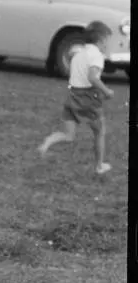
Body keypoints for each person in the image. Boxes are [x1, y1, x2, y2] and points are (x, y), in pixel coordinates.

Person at [37, 20, 114, 174]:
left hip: (72, 96)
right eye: (107, 42)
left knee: (68, 135)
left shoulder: (79, 53)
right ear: (101, 40)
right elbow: (92, 77)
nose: (107, 45)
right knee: (99, 131)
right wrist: (106, 91)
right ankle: (99, 165)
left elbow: (75, 62)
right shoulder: (96, 56)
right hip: (88, 97)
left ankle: (48, 142)